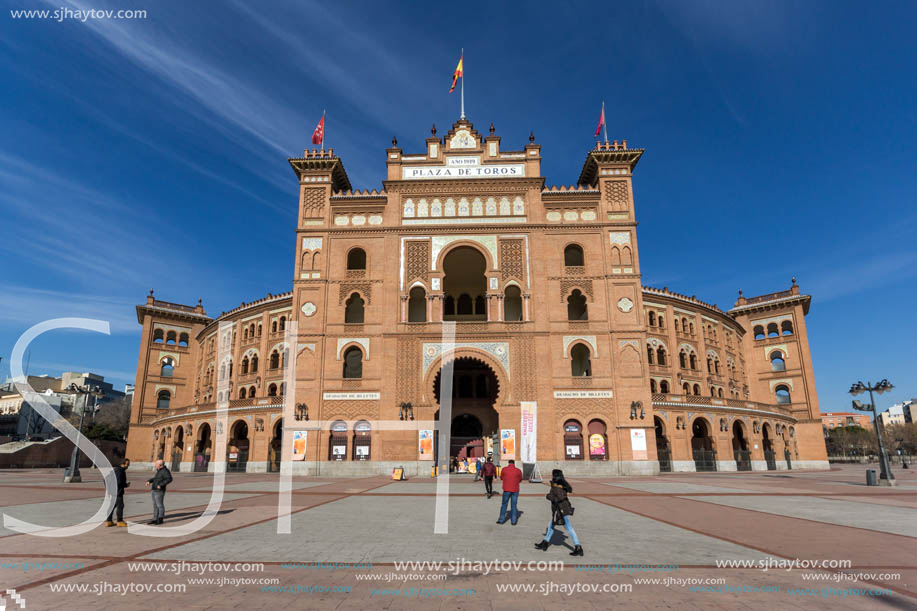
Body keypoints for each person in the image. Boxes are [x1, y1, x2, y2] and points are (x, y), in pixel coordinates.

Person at [534, 469, 583, 556]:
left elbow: (559, 497)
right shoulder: (560, 483)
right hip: (560, 509)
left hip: (561, 510)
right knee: (551, 525)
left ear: (556, 475)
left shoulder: (558, 485)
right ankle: (545, 542)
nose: (552, 476)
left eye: (553, 475)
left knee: (569, 528)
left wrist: (548, 496)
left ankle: (578, 546)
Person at [145, 459, 172, 525]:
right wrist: (149, 481)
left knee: (159, 505)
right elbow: (156, 478)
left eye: (156, 464)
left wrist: (161, 485)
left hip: (159, 491)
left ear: (160, 465)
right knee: (155, 505)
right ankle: (155, 519)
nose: (155, 465)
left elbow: (169, 479)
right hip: (154, 489)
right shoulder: (159, 471)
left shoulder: (165, 471)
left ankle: (160, 519)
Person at [496, 459, 522, 525]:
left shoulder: (504, 469)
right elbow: (520, 479)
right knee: (514, 505)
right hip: (515, 490)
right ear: (514, 463)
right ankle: (513, 521)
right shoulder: (518, 470)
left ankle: (501, 520)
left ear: (508, 463)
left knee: (504, 504)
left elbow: (501, 477)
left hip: (506, 489)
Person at [105, 458, 130, 527]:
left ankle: (109, 521)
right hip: (117, 492)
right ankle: (120, 521)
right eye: (127, 464)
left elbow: (106, 479)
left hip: (113, 491)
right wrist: (125, 485)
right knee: (120, 506)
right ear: (123, 464)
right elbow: (118, 482)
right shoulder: (119, 471)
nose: (128, 466)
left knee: (112, 506)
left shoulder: (115, 470)